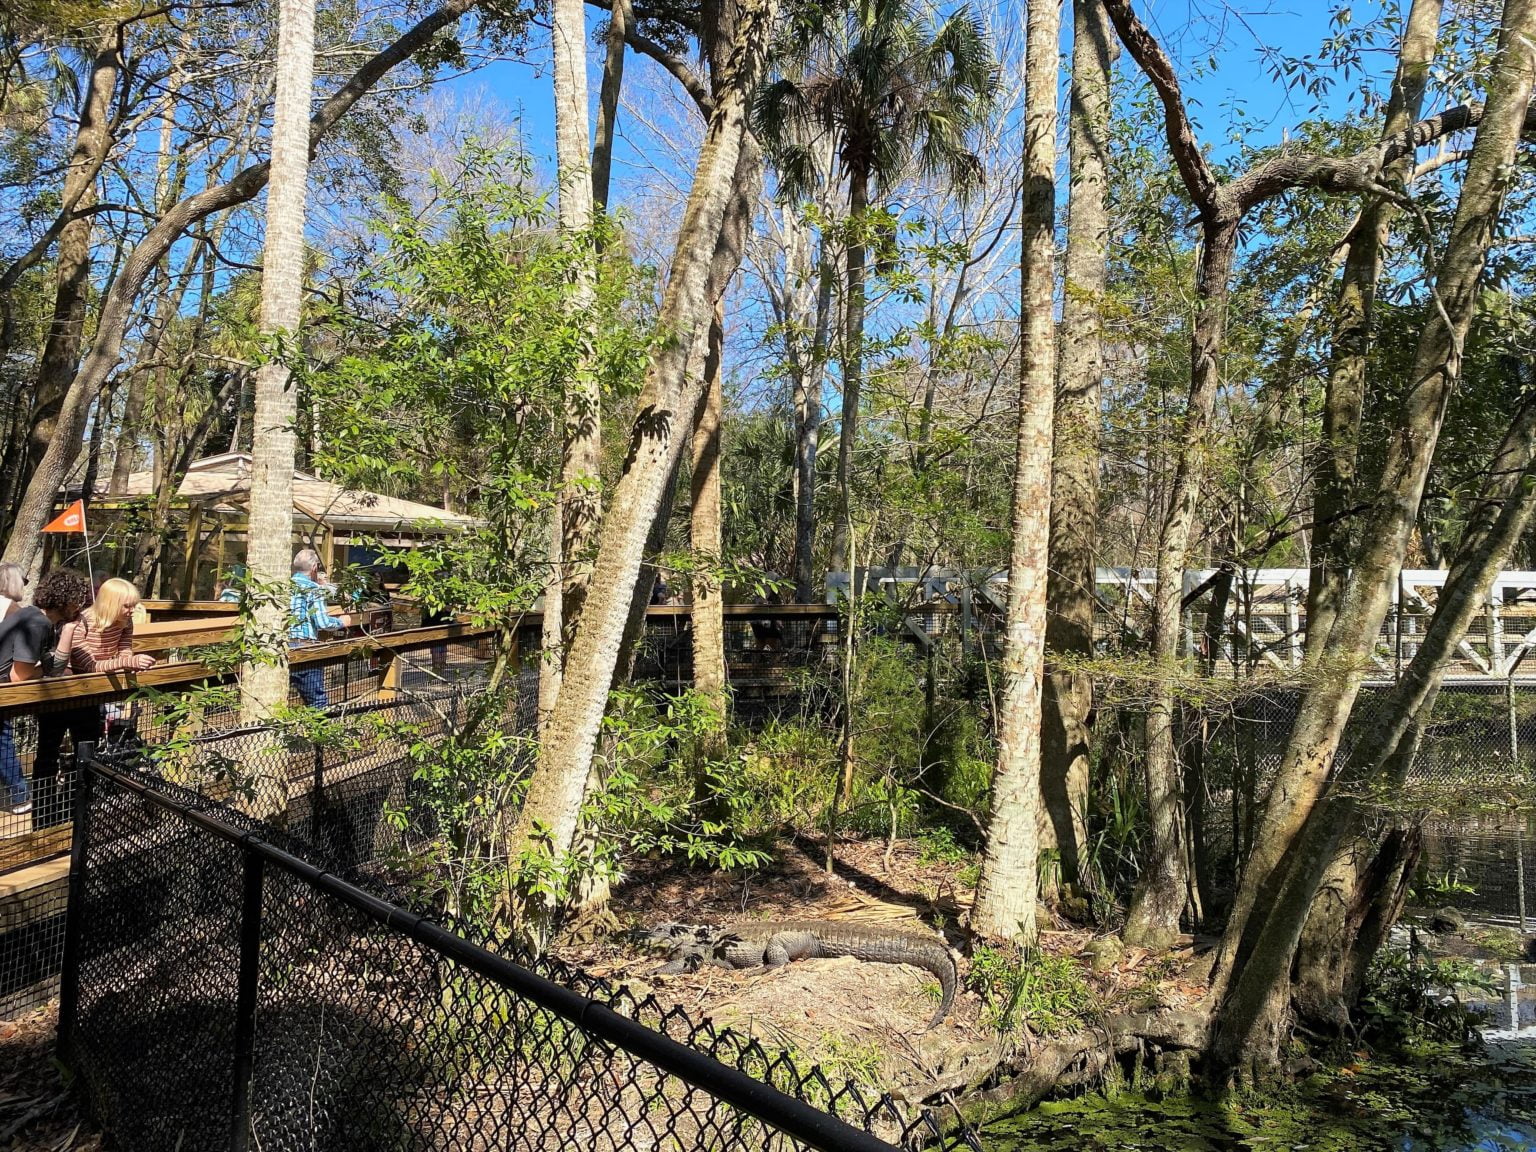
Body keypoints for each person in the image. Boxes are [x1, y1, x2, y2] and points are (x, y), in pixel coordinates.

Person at [0, 569, 92, 824]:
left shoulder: (37, 618)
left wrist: (69, 631)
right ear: (64, 599)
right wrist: (43, 671)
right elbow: (19, 676)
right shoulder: (36, 623)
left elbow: (54, 668)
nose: (81, 604)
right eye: (77, 599)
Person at [290, 548, 351, 709]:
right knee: (317, 702)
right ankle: (317, 733)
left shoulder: (285, 586)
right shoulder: (313, 589)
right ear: (315, 568)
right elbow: (323, 622)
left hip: (283, 646)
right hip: (305, 648)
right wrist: (341, 622)